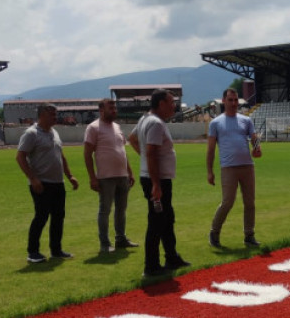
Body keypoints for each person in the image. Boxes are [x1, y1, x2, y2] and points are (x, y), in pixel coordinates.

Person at [129, 89, 190, 277]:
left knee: (167, 218)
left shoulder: (144, 119)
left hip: (155, 178)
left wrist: (145, 161)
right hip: (157, 181)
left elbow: (132, 139)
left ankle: (171, 256)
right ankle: (151, 265)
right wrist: (156, 184)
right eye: (171, 102)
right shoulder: (155, 123)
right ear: (161, 104)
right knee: (156, 221)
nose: (174, 106)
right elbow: (152, 152)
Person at [16, 104, 79, 263]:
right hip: (41, 183)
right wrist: (33, 179)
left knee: (58, 217)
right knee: (41, 216)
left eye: (55, 114)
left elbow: (60, 156)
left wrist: (70, 175)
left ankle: (56, 250)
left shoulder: (54, 132)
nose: (55, 117)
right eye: (52, 114)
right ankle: (33, 252)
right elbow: (20, 157)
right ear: (42, 115)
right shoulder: (31, 133)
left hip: (58, 182)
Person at [206, 88, 262, 248]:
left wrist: (257, 148)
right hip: (228, 167)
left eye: (236, 100)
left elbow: (254, 138)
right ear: (223, 101)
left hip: (247, 166)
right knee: (227, 202)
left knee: (250, 203)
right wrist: (209, 171)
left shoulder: (246, 120)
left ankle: (249, 235)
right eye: (230, 100)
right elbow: (210, 149)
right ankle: (214, 232)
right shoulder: (216, 123)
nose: (233, 103)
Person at [84, 98, 138, 254]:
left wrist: (129, 172)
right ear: (101, 110)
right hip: (105, 176)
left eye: (115, 108)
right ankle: (105, 244)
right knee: (105, 210)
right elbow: (87, 154)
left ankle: (121, 239)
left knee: (121, 210)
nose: (114, 111)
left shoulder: (117, 127)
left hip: (122, 175)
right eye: (111, 108)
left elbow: (122, 151)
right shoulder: (93, 128)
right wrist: (92, 177)